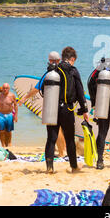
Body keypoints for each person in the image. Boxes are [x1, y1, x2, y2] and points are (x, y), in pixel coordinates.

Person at [42, 46, 89, 174]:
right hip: (67, 109)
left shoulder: (53, 70)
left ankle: (49, 167)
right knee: (69, 139)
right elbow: (80, 91)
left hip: (52, 108)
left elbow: (42, 89)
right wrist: (84, 110)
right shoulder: (73, 71)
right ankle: (73, 166)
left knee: (51, 138)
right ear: (72, 59)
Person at [18, 51, 67, 157]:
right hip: (65, 104)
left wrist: (24, 98)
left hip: (53, 103)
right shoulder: (65, 72)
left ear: (49, 60)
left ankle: (62, 153)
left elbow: (37, 89)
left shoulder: (49, 73)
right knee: (61, 129)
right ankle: (63, 151)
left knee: (55, 128)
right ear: (59, 60)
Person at [0, 83, 18, 147]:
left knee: (8, 131)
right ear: (2, 88)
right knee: (1, 131)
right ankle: (3, 144)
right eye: (4, 88)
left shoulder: (12, 95)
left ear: (9, 89)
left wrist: (16, 115)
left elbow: (15, 105)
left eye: (6, 88)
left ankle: (9, 143)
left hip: (9, 115)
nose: (5, 89)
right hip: (1, 115)